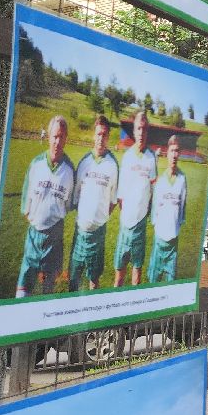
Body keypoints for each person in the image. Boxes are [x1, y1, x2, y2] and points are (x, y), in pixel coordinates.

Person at [18, 115, 75, 298]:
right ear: (48, 136)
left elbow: (66, 205)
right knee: (23, 290)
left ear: (66, 138)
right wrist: (37, 222)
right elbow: (26, 205)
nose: (57, 142)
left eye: (61, 137)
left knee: (47, 292)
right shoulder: (36, 165)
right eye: (54, 136)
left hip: (54, 238)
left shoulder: (69, 170)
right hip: (34, 236)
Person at [71, 116, 119, 291]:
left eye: (104, 134)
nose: (101, 138)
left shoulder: (113, 165)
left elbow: (113, 200)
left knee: (94, 278)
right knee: (73, 277)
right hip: (80, 230)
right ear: (94, 135)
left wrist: (99, 218)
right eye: (98, 134)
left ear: (108, 137)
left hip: (99, 232)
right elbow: (75, 196)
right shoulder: (84, 162)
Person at [114, 110, 156, 288]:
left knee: (137, 274)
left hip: (140, 224)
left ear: (147, 131)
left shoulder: (151, 158)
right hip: (126, 223)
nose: (141, 133)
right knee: (119, 273)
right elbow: (120, 195)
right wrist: (129, 214)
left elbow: (153, 189)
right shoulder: (127, 157)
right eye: (138, 128)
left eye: (144, 129)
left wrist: (142, 213)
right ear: (134, 130)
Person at [148, 136, 186, 284]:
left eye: (177, 151)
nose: (174, 155)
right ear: (167, 152)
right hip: (159, 241)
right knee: (153, 283)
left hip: (173, 244)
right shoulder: (161, 181)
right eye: (172, 151)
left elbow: (182, 210)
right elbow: (154, 214)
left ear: (180, 153)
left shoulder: (183, 180)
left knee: (170, 286)